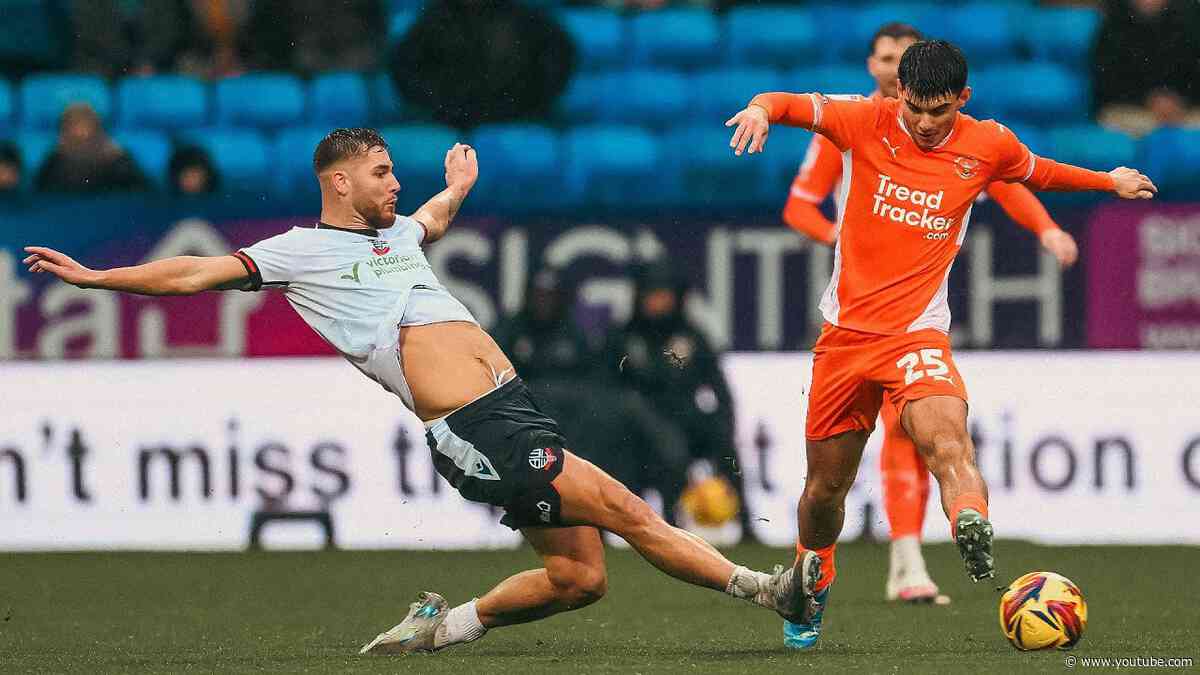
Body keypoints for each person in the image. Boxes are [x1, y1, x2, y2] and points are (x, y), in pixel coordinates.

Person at [24, 127, 816, 656]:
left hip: (511, 411)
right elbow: (192, 271)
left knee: (580, 579)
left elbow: (431, 216)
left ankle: (437, 631)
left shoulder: (397, 234)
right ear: (338, 181)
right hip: (475, 426)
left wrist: (457, 186)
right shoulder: (298, 252)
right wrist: (98, 276)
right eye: (380, 173)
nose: (396, 184)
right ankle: (768, 590)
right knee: (629, 511)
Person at [726, 39, 1157, 649]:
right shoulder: (864, 119)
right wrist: (762, 110)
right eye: (916, 110)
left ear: (964, 99)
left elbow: (1038, 170)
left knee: (948, 443)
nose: (926, 125)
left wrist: (1106, 180)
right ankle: (811, 578)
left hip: (916, 335)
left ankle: (969, 522)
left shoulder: (988, 143)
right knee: (823, 492)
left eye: (940, 112)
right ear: (899, 95)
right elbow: (788, 102)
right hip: (845, 340)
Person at [781, 22, 1080, 606]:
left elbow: (1009, 174)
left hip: (914, 320)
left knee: (929, 434)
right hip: (852, 316)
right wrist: (845, 239)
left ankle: (912, 555)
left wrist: (1046, 227)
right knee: (826, 486)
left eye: (902, 58)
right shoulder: (849, 123)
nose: (894, 70)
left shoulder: (964, 138)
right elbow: (797, 206)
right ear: (877, 70)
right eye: (886, 59)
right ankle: (826, 571)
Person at [604, 260, 756, 538]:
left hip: (687, 416)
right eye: (652, 295)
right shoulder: (623, 338)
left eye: (664, 295)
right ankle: (670, 524)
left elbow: (719, 387)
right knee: (669, 448)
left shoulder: (692, 336)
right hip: (640, 425)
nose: (658, 302)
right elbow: (607, 390)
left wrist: (725, 424)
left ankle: (746, 522)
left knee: (720, 441)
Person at [1092, 0, 1200, 136]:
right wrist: (1148, 100)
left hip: (1186, 112)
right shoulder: (1113, 25)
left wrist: (1180, 101)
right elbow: (1106, 81)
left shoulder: (1192, 19)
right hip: (1132, 111)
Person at [35, 103, 148, 194]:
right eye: (76, 140)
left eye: (89, 137)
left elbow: (144, 197)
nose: (81, 132)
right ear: (63, 136)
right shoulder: (53, 163)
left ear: (100, 133)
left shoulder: (119, 162)